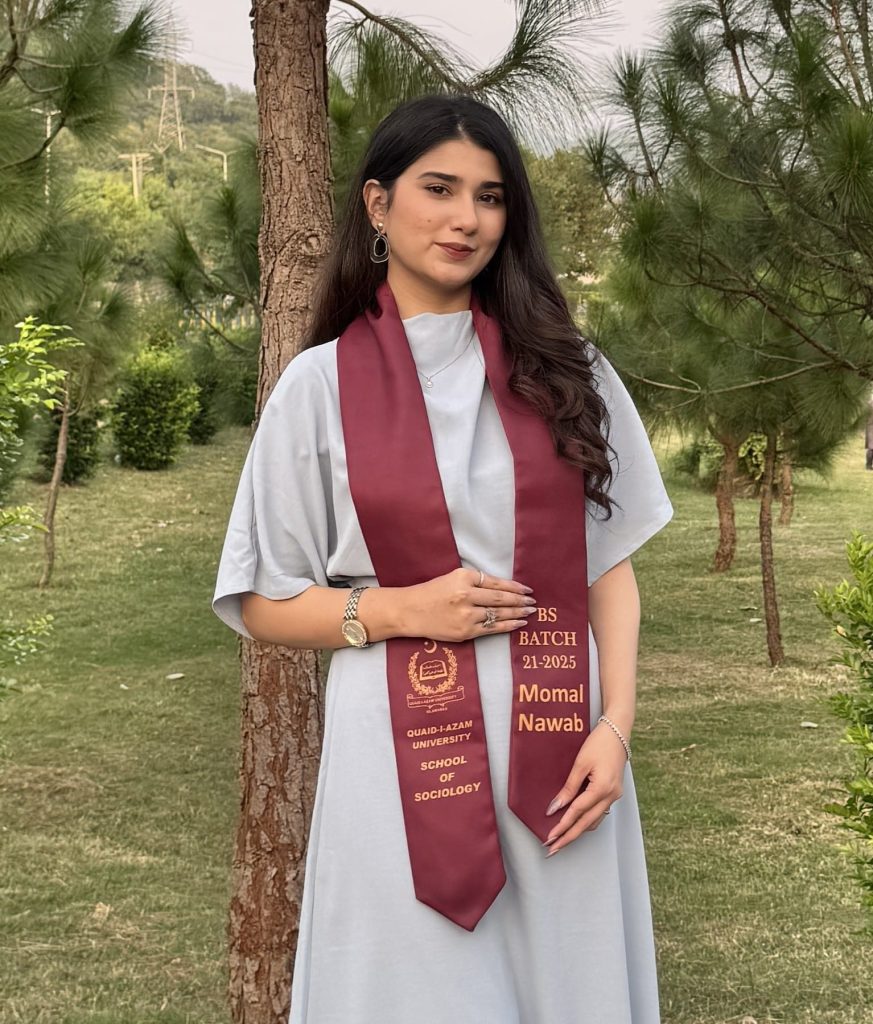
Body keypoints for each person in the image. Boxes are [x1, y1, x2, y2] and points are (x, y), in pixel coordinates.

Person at [212, 94, 673, 1024]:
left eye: (489, 197)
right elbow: (262, 598)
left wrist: (615, 726)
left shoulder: (566, 370)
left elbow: (607, 567)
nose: (466, 218)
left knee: (566, 983)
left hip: (562, 752)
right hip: (395, 751)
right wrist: (398, 609)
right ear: (378, 204)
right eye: (439, 189)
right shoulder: (318, 387)